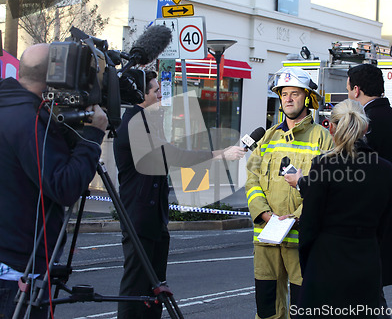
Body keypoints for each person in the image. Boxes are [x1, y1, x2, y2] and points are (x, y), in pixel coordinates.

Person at [114, 70, 245, 319]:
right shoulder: (133, 124)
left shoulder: (148, 121)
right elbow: (173, 156)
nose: (161, 95)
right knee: (135, 285)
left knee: (156, 284)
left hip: (154, 217)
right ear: (140, 95)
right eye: (155, 90)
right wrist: (219, 154)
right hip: (138, 217)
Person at [0, 44, 108, 318]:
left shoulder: (10, 105)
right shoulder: (30, 120)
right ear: (55, 75)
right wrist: (92, 136)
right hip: (19, 269)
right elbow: (65, 187)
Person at [285, 99, 392, 318]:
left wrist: (308, 264)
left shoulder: (323, 166)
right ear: (365, 128)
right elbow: (387, 225)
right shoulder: (385, 169)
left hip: (325, 262)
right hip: (366, 261)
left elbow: (309, 224)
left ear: (332, 127)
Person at [246, 67, 333, 319]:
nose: (288, 99)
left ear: (307, 98)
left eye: (295, 93)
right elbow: (252, 180)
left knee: (303, 308)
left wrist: (295, 217)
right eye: (284, 94)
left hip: (301, 238)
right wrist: (264, 214)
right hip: (267, 237)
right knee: (267, 308)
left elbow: (325, 186)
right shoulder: (268, 137)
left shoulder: (322, 139)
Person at [346, 63, 392, 315]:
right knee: (373, 295)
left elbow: (357, 177)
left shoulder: (365, 124)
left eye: (348, 88)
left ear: (356, 90)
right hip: (388, 218)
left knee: (362, 299)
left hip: (363, 226)